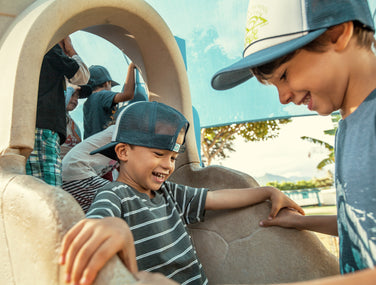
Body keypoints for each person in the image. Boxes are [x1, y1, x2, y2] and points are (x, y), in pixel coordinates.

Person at [211, 0, 376, 278]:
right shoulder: (347, 127)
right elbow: (361, 223)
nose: (283, 97)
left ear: (337, 33)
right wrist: (300, 221)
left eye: (284, 75)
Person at [60, 101, 304, 285]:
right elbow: (98, 223)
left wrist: (266, 192)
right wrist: (111, 226)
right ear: (123, 152)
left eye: (173, 157)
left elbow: (215, 198)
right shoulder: (114, 194)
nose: (168, 165)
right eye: (158, 154)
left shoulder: (169, 193)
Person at [26, 36, 89, 187]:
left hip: (36, 128)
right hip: (43, 131)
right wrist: (70, 49)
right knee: (49, 193)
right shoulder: (48, 46)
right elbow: (82, 75)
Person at [62, 125, 119, 213]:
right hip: (78, 170)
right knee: (123, 197)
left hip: (72, 173)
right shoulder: (121, 131)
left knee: (88, 214)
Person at [83, 63, 136, 139]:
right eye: (111, 85)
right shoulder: (102, 95)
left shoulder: (87, 102)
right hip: (103, 144)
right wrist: (131, 67)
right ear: (107, 83)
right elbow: (128, 95)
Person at [60, 84, 92, 159]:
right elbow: (60, 105)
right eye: (72, 95)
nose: (75, 99)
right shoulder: (55, 116)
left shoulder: (74, 126)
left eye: (77, 96)